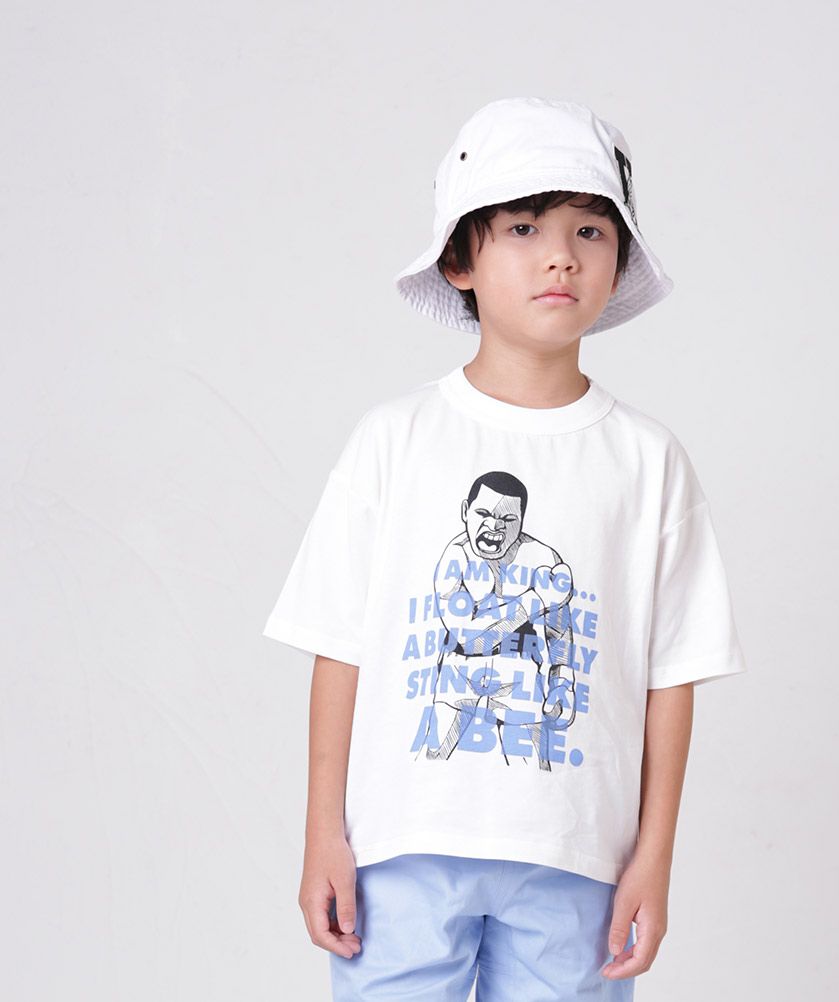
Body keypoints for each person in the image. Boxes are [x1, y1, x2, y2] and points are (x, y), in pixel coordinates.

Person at [262, 96, 748, 1001]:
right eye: (523, 227)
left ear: (617, 259)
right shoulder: (395, 439)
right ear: (461, 260)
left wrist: (654, 856)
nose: (561, 255)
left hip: (576, 857)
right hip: (402, 848)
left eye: (590, 230)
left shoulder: (646, 461)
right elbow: (340, 646)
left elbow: (671, 675)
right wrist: (322, 832)